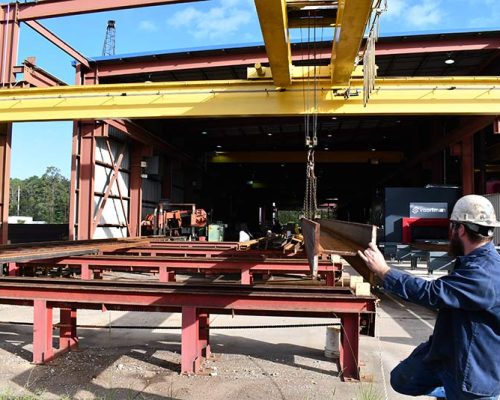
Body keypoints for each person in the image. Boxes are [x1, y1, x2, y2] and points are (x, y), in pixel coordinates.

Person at [358, 194, 500, 400]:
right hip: (449, 354)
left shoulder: (483, 274)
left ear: (459, 229)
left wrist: (385, 272)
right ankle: (446, 391)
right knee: (401, 379)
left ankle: (449, 392)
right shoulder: (475, 263)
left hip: (474, 375)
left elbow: (432, 292)